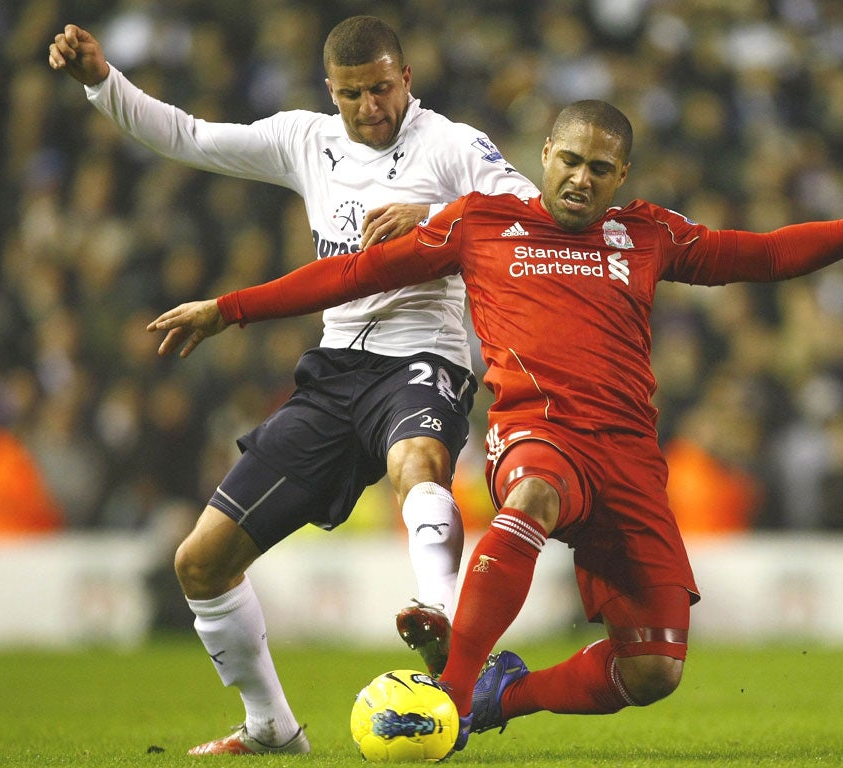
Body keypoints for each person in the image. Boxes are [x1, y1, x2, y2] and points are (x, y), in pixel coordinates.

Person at [148, 99, 843, 752]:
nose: (580, 178)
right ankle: (453, 699)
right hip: (538, 434)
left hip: (631, 463)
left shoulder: (649, 234)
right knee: (533, 491)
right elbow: (354, 273)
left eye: (599, 168)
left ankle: (506, 694)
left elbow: (763, 254)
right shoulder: (479, 224)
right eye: (569, 160)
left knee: (652, 670)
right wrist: (229, 309)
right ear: (543, 156)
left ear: (622, 176)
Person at [49, 15, 537, 755]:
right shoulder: (306, 140)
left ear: (406, 78)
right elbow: (187, 137)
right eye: (351, 95)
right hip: (335, 373)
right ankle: (270, 725)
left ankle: (436, 611)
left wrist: (437, 216)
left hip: (424, 358)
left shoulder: (452, 145)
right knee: (200, 562)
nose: (369, 107)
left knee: (419, 463)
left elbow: (530, 210)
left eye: (380, 89)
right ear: (329, 91)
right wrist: (100, 84)